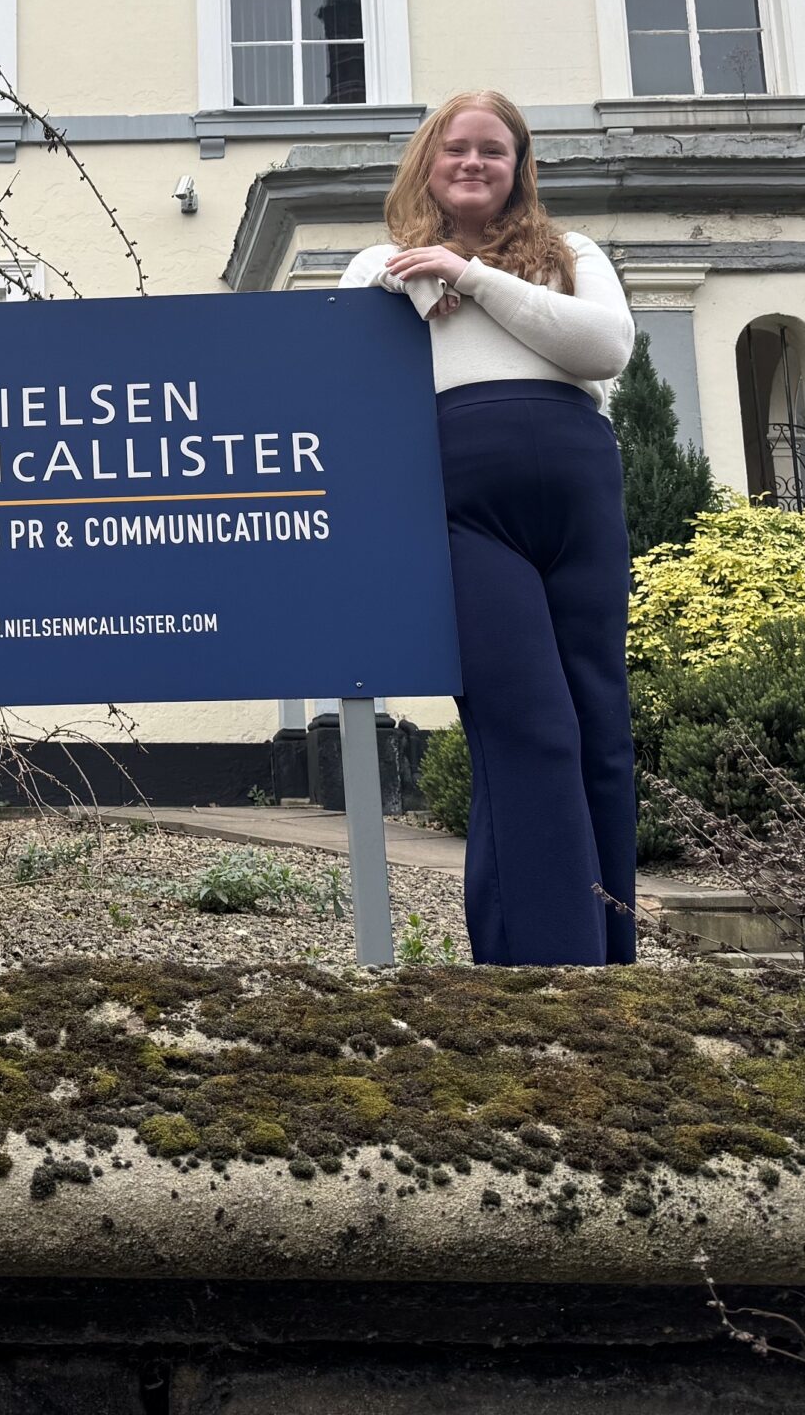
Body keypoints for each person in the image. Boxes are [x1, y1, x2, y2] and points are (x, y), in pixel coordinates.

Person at [339, 89, 637, 966]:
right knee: (529, 727)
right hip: (463, 508)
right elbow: (344, 366)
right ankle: (547, 962)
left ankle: (610, 960)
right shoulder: (379, 263)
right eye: (456, 147)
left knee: (601, 730)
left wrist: (469, 275)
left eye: (494, 150)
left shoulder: (569, 253)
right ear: (428, 161)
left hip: (580, 502)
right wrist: (413, 272)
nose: (473, 162)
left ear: (519, 168)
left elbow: (605, 348)